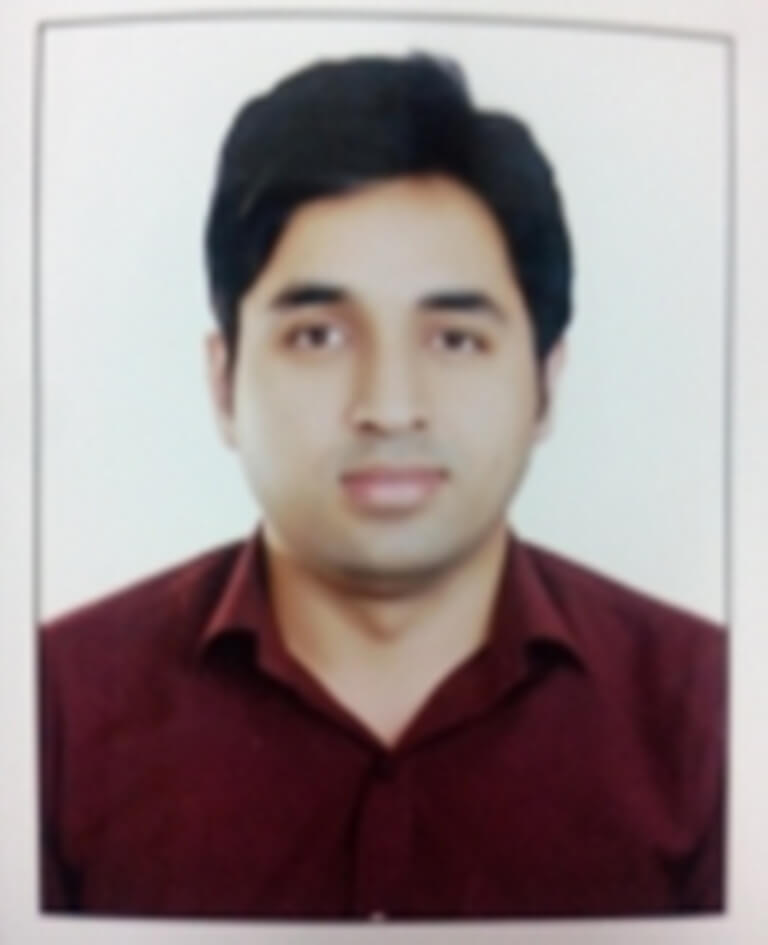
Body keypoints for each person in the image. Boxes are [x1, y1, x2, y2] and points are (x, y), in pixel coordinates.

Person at [39, 53, 725, 919]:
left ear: (547, 385)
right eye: (319, 335)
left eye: (455, 339)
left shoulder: (713, 709)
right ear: (223, 383)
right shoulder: (50, 706)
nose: (390, 407)